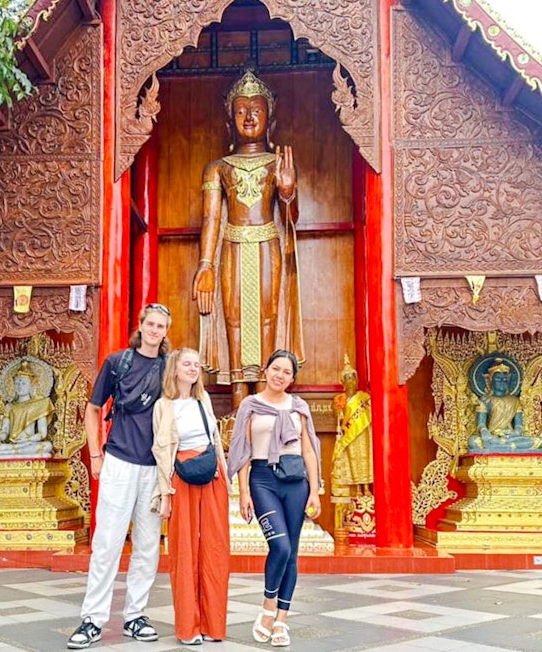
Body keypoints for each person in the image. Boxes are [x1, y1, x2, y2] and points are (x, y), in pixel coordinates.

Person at [193, 69, 304, 406]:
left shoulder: (276, 163)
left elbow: (291, 219)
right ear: (230, 121)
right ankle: (240, 402)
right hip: (232, 246)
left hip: (268, 243)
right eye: (241, 111)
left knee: (268, 318)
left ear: (269, 119)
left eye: (256, 109)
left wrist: (287, 192)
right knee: (234, 320)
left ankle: (266, 400)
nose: (249, 117)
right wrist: (206, 265)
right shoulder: (218, 167)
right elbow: (211, 217)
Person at [68, 304, 171, 650]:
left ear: (166, 331)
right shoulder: (118, 363)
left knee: (147, 545)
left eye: (161, 326)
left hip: (154, 467)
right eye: (151, 324)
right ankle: (92, 619)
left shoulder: (167, 368)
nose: (155, 330)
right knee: (107, 542)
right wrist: (95, 454)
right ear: (140, 327)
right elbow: (93, 409)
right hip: (119, 460)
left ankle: (135, 615)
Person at [227, 349, 321, 647]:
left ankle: (282, 618)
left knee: (292, 551)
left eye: (287, 372)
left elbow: (309, 449)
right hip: (262, 479)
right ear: (266, 370)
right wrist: (243, 491)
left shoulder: (299, 407)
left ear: (292, 378)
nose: (280, 375)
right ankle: (268, 607)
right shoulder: (250, 405)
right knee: (279, 545)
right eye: (275, 369)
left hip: (295, 482)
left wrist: (315, 490)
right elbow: (242, 449)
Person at [151, 348, 230, 645]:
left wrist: (225, 477)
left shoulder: (203, 399)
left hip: (212, 475)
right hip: (180, 475)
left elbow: (215, 442)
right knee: (184, 550)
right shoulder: (164, 405)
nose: (193, 369)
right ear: (174, 368)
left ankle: (214, 625)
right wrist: (165, 494)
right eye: (187, 364)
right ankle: (188, 627)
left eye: (196, 365)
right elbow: (161, 452)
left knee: (215, 548)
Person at [331, 355, 373, 532]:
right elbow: (337, 418)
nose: (351, 381)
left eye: (353, 377)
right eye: (347, 378)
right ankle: (357, 488)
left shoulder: (364, 397)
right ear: (343, 381)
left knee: (365, 460)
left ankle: (366, 488)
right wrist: (338, 410)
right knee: (352, 463)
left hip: (363, 433)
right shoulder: (339, 399)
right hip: (349, 437)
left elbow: (370, 414)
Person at [0, 360, 54, 458]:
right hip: (13, 443)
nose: (20, 386)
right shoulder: (10, 406)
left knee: (47, 446)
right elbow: (5, 431)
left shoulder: (38, 404)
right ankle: (9, 450)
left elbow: (42, 433)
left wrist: (28, 440)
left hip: (29, 443)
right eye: (17, 383)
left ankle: (8, 451)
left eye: (23, 383)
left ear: (31, 386)